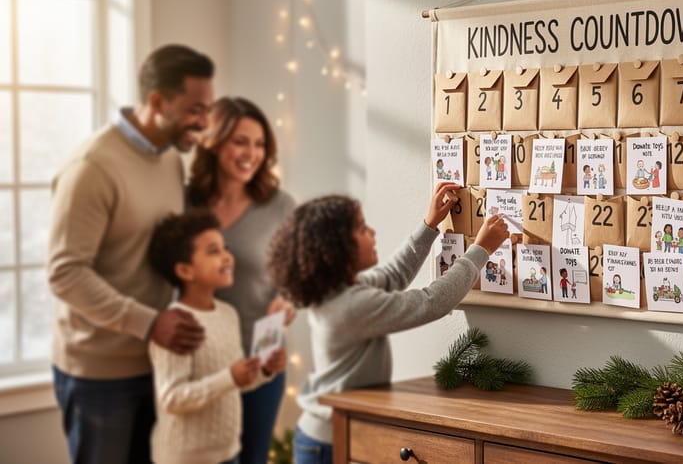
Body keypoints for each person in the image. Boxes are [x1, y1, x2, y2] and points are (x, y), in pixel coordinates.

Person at [47, 44, 214, 464]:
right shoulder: (92, 167)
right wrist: (150, 322)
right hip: (98, 374)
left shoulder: (170, 161)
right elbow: (65, 273)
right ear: (157, 101)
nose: (204, 122)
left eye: (208, 109)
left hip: (153, 362)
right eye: (196, 109)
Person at [266, 182, 509, 464]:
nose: (372, 232)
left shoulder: (341, 292)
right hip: (327, 441)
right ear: (337, 249)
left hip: (333, 432)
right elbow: (430, 303)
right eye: (361, 229)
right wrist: (480, 250)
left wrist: (429, 226)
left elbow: (393, 275)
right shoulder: (349, 307)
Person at [187, 96, 297, 464]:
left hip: (258, 362)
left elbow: (297, 277)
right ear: (215, 141)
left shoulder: (280, 206)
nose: (252, 153)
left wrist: (289, 303)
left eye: (259, 143)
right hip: (197, 363)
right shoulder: (185, 201)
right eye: (240, 141)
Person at [147, 211, 286, 464]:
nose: (227, 257)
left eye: (226, 248)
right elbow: (172, 397)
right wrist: (230, 377)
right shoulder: (176, 325)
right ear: (185, 271)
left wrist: (264, 370)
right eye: (214, 251)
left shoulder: (228, 314)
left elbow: (236, 382)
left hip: (228, 453)